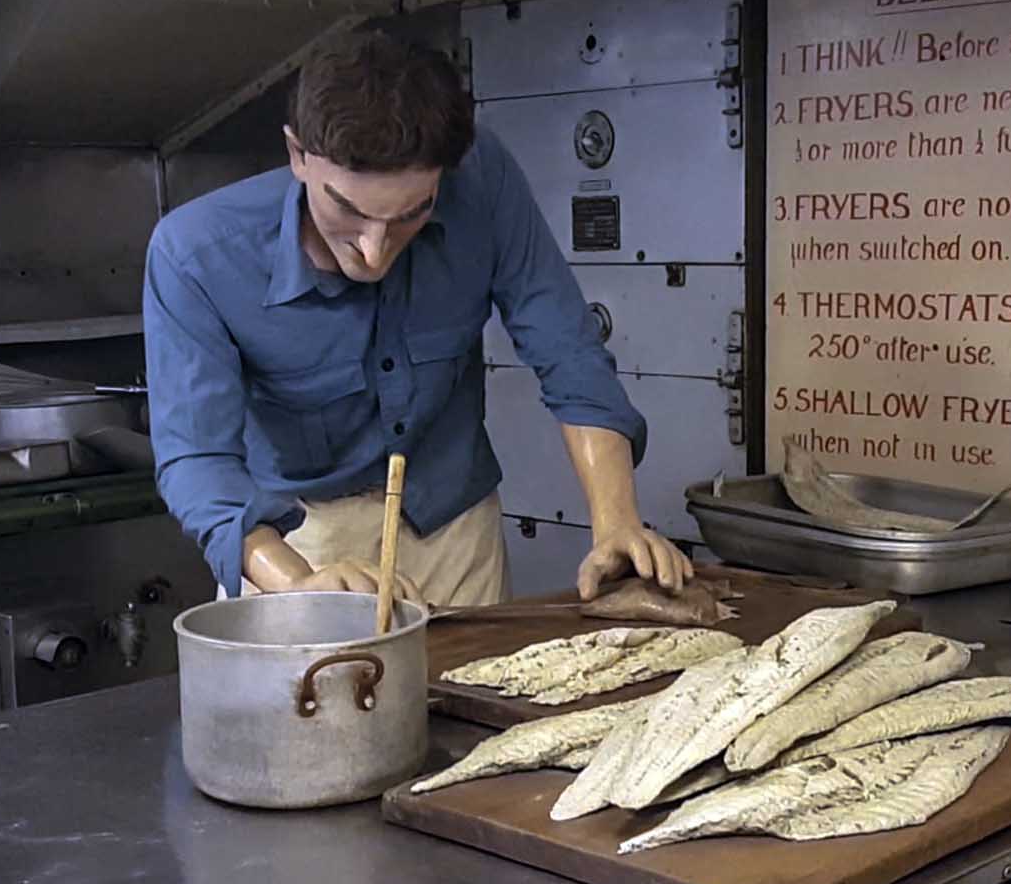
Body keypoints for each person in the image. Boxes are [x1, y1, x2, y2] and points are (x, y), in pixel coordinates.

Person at [145, 30, 692, 607]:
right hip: (299, 543)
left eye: (412, 215)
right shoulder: (195, 254)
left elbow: (569, 352)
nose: (375, 251)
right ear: (297, 155)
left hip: (456, 532)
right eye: (348, 212)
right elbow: (199, 461)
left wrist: (616, 523)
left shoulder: (484, 179)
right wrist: (296, 581)